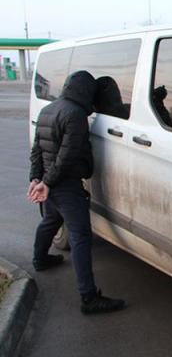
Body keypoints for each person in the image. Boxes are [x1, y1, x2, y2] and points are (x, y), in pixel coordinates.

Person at [28, 70, 125, 315]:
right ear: (85, 92)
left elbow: (37, 150)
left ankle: (40, 259)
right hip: (66, 184)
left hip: (51, 181)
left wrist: (36, 178)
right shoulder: (75, 114)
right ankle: (89, 298)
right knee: (81, 237)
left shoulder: (48, 110)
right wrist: (47, 182)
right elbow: (68, 154)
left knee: (51, 219)